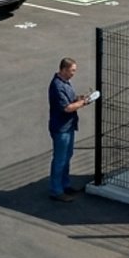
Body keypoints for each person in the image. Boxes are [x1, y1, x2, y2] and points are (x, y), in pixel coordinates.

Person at [48, 57, 94, 201]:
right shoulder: (57, 86)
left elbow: (71, 100)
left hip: (68, 126)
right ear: (63, 70)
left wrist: (78, 98)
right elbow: (67, 108)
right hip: (61, 128)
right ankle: (57, 191)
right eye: (72, 70)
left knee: (67, 157)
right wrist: (84, 102)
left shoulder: (65, 82)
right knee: (60, 159)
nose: (74, 73)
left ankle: (65, 185)